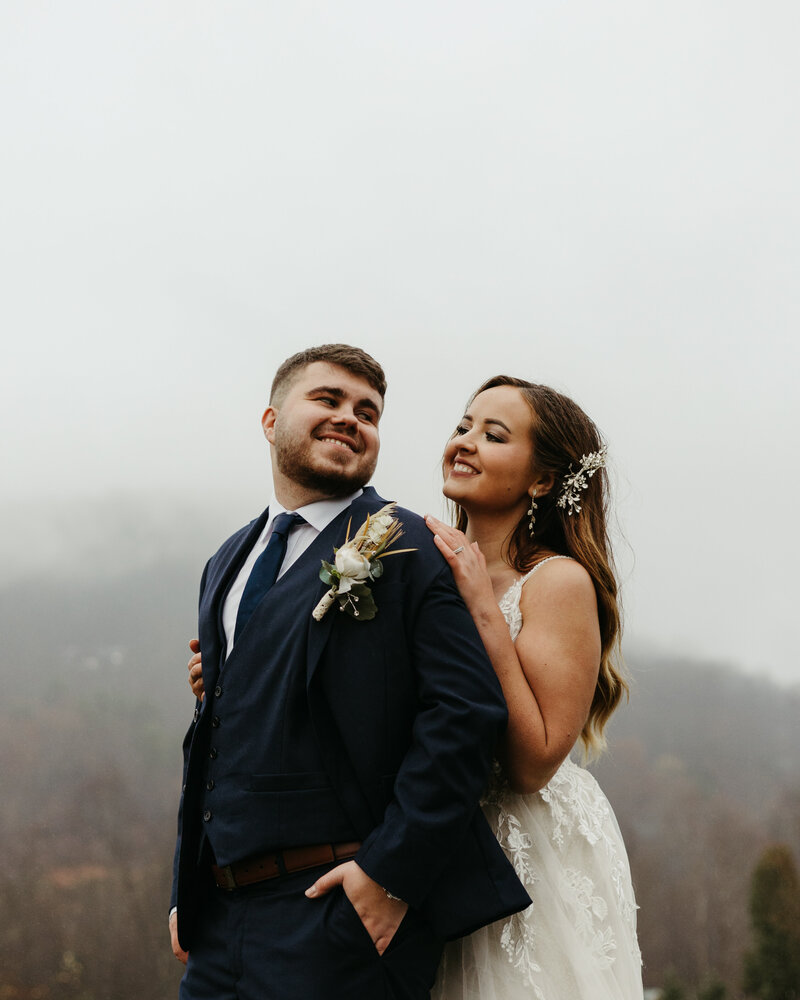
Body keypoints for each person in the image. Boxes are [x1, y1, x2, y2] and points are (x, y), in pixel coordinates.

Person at [170, 345, 530, 1000]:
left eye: (368, 412)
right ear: (270, 419)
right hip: (217, 927)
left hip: (340, 918)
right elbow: (213, 732)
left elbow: (465, 718)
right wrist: (186, 890)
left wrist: (388, 875)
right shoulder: (227, 560)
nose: (351, 419)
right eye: (328, 400)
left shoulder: (412, 545)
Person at [424, 376, 643, 999]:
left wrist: (483, 610)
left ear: (543, 480)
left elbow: (533, 762)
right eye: (462, 426)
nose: (464, 443)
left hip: (529, 850)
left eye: (493, 435)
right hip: (434, 841)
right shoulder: (416, 563)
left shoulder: (558, 583)